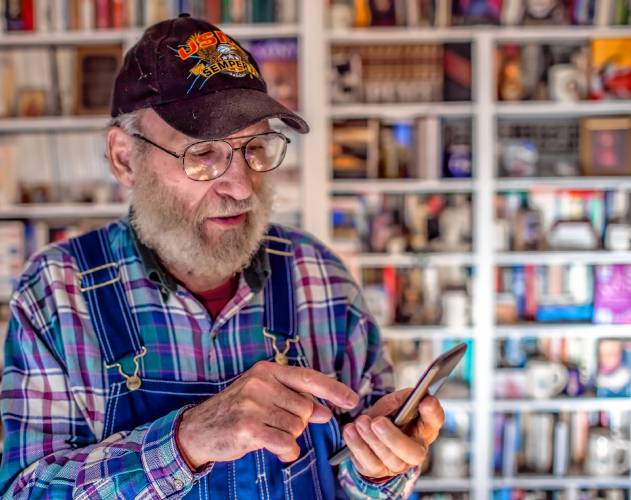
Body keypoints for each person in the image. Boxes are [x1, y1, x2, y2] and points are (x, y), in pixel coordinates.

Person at [0, 14, 444, 499]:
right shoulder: (57, 292)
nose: (240, 186)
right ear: (125, 157)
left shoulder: (320, 276)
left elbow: (358, 483)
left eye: (254, 147)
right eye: (203, 153)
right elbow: (28, 490)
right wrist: (187, 441)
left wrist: (380, 469)